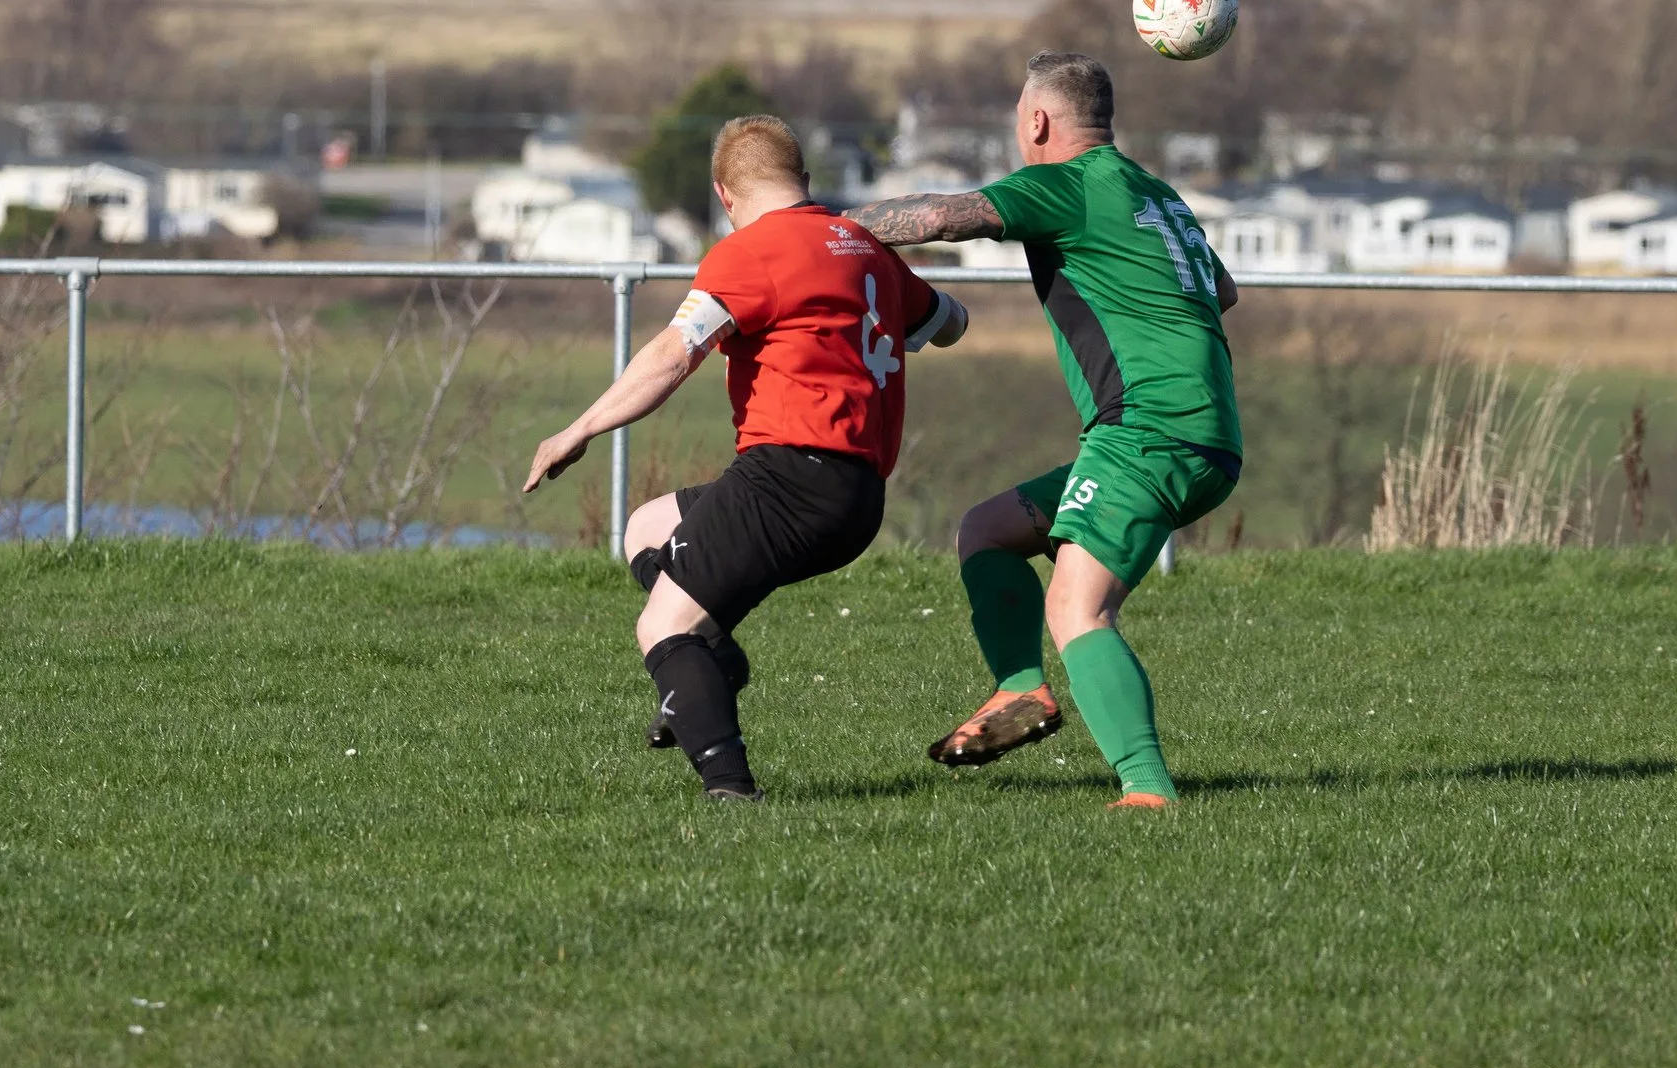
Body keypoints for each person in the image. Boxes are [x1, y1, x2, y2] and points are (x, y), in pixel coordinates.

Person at [525, 114, 969, 800]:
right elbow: (949, 324)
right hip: (856, 497)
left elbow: (672, 358)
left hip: (789, 476)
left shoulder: (752, 252)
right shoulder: (864, 247)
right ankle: (709, 670)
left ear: (724, 195)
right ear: (807, 181)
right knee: (645, 528)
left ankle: (730, 791)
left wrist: (579, 429)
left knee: (663, 625)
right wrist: (882, 254)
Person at [846, 52, 1238, 811]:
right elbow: (1221, 288)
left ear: (1038, 121)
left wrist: (819, 230)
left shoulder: (1068, 183)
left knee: (1076, 608)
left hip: (1147, 432)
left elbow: (935, 218)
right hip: (1202, 433)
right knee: (986, 530)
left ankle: (1147, 790)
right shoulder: (1156, 195)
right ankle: (1020, 690)